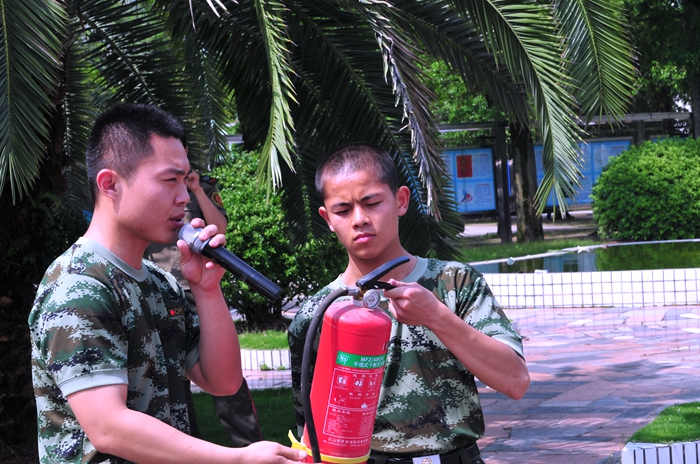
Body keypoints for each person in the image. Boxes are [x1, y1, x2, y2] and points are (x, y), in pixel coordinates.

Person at [28, 103, 305, 464]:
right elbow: (109, 427)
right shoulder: (78, 286)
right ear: (110, 184)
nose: (185, 198)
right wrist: (236, 459)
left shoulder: (160, 282)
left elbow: (222, 381)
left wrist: (207, 289)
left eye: (185, 181)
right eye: (169, 180)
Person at [288, 143, 530, 463]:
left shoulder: (454, 283)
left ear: (401, 200)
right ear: (327, 218)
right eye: (343, 210)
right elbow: (309, 434)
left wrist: (437, 316)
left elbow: (515, 381)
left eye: (372, 203)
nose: (359, 219)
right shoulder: (317, 313)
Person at [144, 170, 263, 447]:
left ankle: (250, 445)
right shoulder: (148, 183)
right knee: (173, 377)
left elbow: (219, 228)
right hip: (160, 289)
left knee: (229, 386)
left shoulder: (200, 186)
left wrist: (197, 189)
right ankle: (188, 444)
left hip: (194, 289)